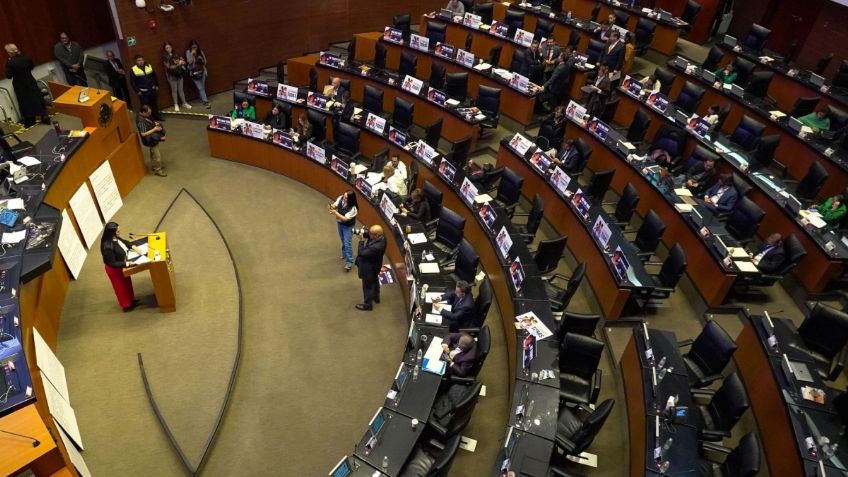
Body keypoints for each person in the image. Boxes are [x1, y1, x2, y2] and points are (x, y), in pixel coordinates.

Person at [4, 44, 49, 127]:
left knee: (25, 102)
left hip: (20, 84)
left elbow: (9, 76)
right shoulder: (26, 57)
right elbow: (31, 67)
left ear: (10, 52)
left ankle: (30, 121)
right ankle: (44, 116)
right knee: (37, 98)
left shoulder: (10, 62)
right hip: (30, 80)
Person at [100, 222, 141, 312]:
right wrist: (127, 264)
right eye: (117, 231)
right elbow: (112, 263)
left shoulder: (115, 238)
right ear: (112, 232)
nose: (119, 232)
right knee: (121, 287)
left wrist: (133, 247)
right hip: (115, 269)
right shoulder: (107, 246)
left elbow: (124, 242)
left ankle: (131, 300)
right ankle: (127, 306)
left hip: (122, 265)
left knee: (127, 283)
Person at [355, 225, 387, 310]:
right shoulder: (382, 236)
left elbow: (362, 253)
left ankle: (368, 305)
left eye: (371, 233)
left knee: (367, 286)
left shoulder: (377, 247)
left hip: (369, 268)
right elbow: (369, 236)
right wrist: (363, 232)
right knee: (375, 281)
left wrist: (361, 241)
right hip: (375, 265)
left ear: (376, 235)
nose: (369, 234)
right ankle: (376, 297)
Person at [329, 190, 358, 271]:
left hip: (348, 227)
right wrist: (332, 206)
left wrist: (335, 212)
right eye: (344, 196)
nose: (344, 198)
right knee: (343, 240)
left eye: (346, 198)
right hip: (340, 224)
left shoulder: (354, 209)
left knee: (347, 243)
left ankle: (349, 262)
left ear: (351, 199)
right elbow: (335, 205)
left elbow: (345, 219)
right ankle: (344, 254)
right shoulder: (341, 198)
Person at [136, 105, 167, 177]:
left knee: (153, 153)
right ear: (143, 112)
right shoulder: (141, 121)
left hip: (152, 138)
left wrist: (154, 124)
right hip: (149, 140)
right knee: (157, 156)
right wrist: (155, 129)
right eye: (148, 113)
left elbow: (149, 122)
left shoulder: (144, 116)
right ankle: (158, 170)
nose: (149, 114)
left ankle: (154, 166)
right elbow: (143, 134)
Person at [130, 55, 163, 120]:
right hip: (143, 92)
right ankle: (150, 119)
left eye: (142, 60)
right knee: (145, 106)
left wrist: (157, 85)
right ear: (136, 61)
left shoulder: (149, 66)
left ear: (144, 60)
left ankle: (157, 116)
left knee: (154, 104)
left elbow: (155, 76)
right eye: (139, 60)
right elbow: (132, 82)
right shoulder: (133, 69)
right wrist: (137, 91)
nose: (141, 61)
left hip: (152, 89)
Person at [162, 42, 191, 112]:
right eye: (167, 48)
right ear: (165, 49)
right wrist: (178, 64)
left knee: (181, 90)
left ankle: (184, 103)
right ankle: (176, 104)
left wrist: (181, 62)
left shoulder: (176, 54)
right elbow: (169, 67)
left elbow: (183, 61)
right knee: (174, 90)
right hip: (171, 76)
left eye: (169, 47)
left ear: (172, 47)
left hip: (179, 74)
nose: (169, 49)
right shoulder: (164, 57)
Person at [185, 40, 210, 109]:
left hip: (201, 71)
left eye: (195, 47)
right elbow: (189, 62)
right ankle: (205, 101)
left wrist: (201, 59)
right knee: (200, 87)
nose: (194, 48)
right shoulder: (188, 52)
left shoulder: (200, 52)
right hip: (194, 73)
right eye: (193, 47)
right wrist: (193, 55)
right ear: (190, 47)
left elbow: (205, 62)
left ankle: (201, 99)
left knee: (202, 87)